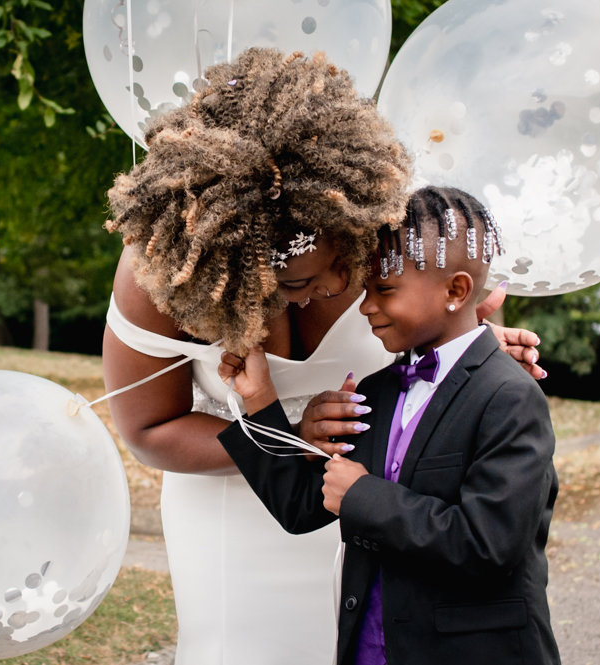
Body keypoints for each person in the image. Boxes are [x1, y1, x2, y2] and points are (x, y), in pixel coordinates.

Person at [102, 49, 545, 665]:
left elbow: (437, 302)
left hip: (376, 521)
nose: (341, 288)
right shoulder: (171, 270)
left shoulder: (376, 214)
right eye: (298, 283)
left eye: (354, 260)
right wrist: (284, 435)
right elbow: (147, 429)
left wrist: (467, 357)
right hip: (240, 505)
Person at [217, 186, 560, 665]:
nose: (365, 306)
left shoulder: (509, 398)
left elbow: (488, 546)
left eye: (385, 291)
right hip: (374, 648)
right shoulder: (375, 392)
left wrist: (362, 497)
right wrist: (259, 399)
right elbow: (300, 507)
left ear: (456, 291)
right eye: (366, 290)